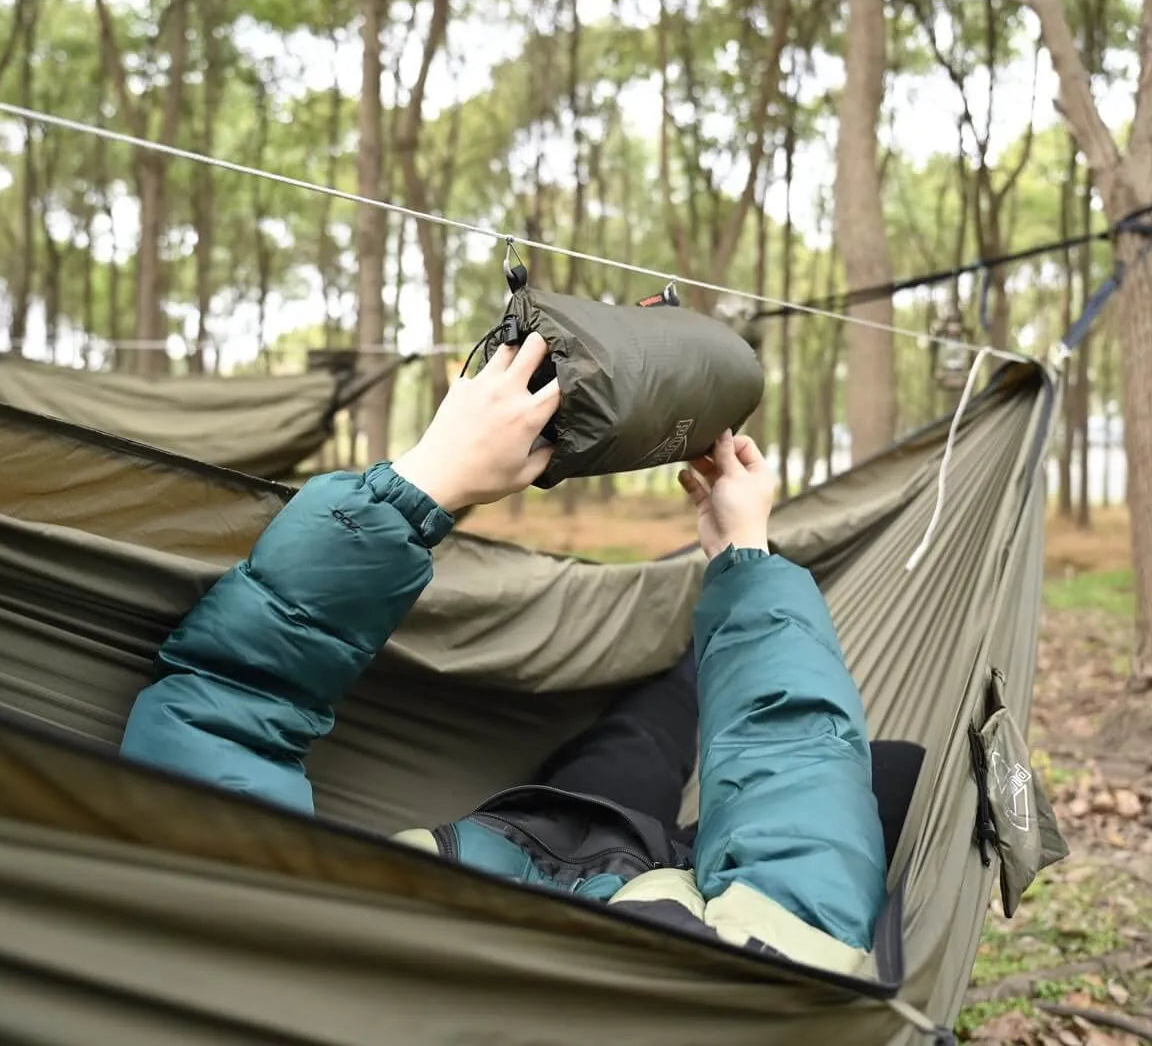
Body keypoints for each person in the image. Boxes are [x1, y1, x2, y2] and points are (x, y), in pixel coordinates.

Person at [120, 334, 887, 972]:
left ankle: (683, 661)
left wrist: (425, 483)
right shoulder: (749, 987)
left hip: (515, 844)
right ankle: (688, 658)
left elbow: (219, 720)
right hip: (645, 887)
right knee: (873, 767)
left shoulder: (261, 961)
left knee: (636, 745)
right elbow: (798, 798)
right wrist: (744, 558)